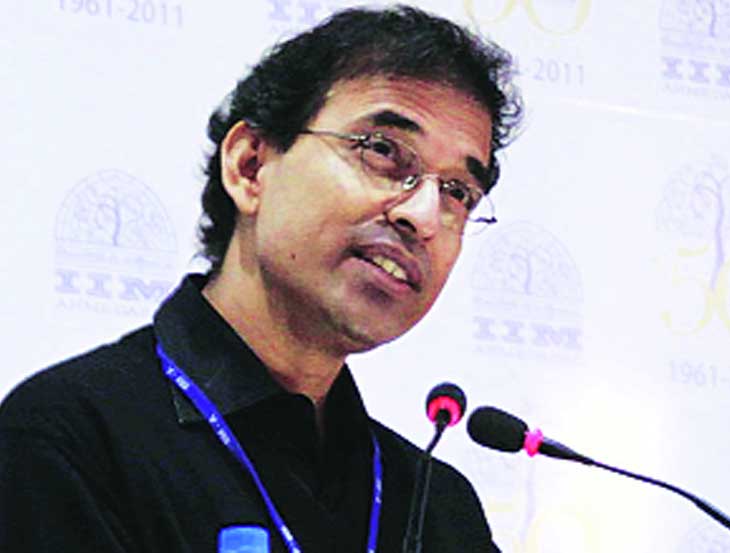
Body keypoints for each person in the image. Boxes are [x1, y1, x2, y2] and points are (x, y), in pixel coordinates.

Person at [0, 5, 522, 552]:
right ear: (250, 166)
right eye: (384, 152)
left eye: (458, 192)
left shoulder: (438, 508)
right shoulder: (72, 439)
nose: (423, 215)